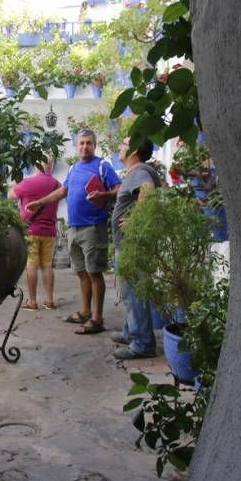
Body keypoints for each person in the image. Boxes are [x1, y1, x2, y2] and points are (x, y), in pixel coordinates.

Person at [26, 128, 120, 335]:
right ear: (76, 146)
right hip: (74, 227)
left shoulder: (103, 165)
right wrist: (40, 203)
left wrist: (104, 195)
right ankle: (85, 312)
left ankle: (97, 318)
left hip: (94, 227)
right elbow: (63, 191)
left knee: (94, 273)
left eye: (88, 143)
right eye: (81, 143)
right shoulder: (73, 168)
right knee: (81, 272)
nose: (85, 146)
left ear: (94, 145)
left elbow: (118, 189)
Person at [90, 136, 161, 359]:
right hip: (128, 243)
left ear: (135, 150)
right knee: (130, 292)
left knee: (133, 293)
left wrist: (135, 220)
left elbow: (148, 191)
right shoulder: (135, 172)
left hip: (133, 244)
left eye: (123, 143)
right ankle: (132, 331)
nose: (119, 146)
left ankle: (142, 343)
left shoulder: (140, 171)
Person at [8, 155, 60, 311]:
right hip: (50, 231)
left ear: (37, 163)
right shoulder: (57, 184)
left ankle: (32, 301)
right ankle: (49, 300)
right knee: (47, 265)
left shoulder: (28, 182)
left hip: (31, 230)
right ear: (51, 165)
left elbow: (10, 196)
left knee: (31, 264)